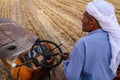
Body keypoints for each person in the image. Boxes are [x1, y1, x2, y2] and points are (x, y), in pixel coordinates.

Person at [61, 0, 120, 80]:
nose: (81, 20)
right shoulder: (115, 40)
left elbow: (72, 77)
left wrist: (67, 63)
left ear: (92, 22)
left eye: (83, 17)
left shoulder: (83, 44)